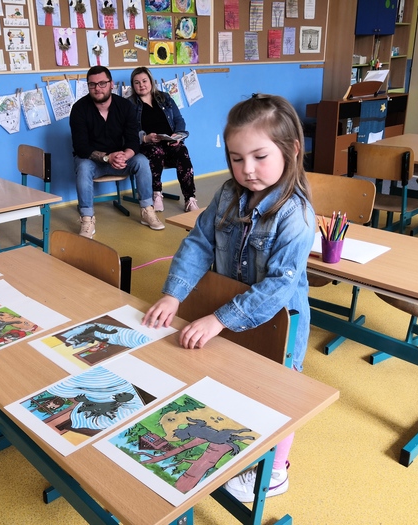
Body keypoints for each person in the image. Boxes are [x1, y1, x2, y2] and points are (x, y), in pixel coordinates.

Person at [141, 94, 315, 502]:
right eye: (237, 158)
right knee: (235, 382)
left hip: (278, 324)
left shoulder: (296, 215)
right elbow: (199, 242)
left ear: (291, 150)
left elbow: (277, 288)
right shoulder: (226, 194)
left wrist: (220, 319)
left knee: (276, 393)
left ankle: (275, 472)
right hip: (228, 316)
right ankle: (235, 447)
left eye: (259, 157)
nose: (247, 169)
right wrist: (173, 295)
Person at [69, 65, 164, 238]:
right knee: (82, 166)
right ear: (88, 86)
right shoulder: (79, 109)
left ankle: (147, 210)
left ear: (111, 84)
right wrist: (107, 157)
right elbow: (81, 147)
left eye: (102, 83)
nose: (97, 88)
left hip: (121, 160)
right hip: (94, 163)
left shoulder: (125, 106)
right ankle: (87, 219)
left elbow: (133, 140)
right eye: (92, 84)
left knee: (142, 161)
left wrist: (125, 155)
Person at [129, 67, 199, 213]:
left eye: (144, 81)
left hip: (169, 143)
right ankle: (156, 194)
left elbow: (179, 120)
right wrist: (145, 137)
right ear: (133, 85)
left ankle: (190, 199)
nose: (141, 85)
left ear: (151, 81)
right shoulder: (130, 104)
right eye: (137, 82)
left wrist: (177, 135)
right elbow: (127, 130)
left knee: (182, 151)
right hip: (149, 146)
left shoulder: (165, 98)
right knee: (156, 151)